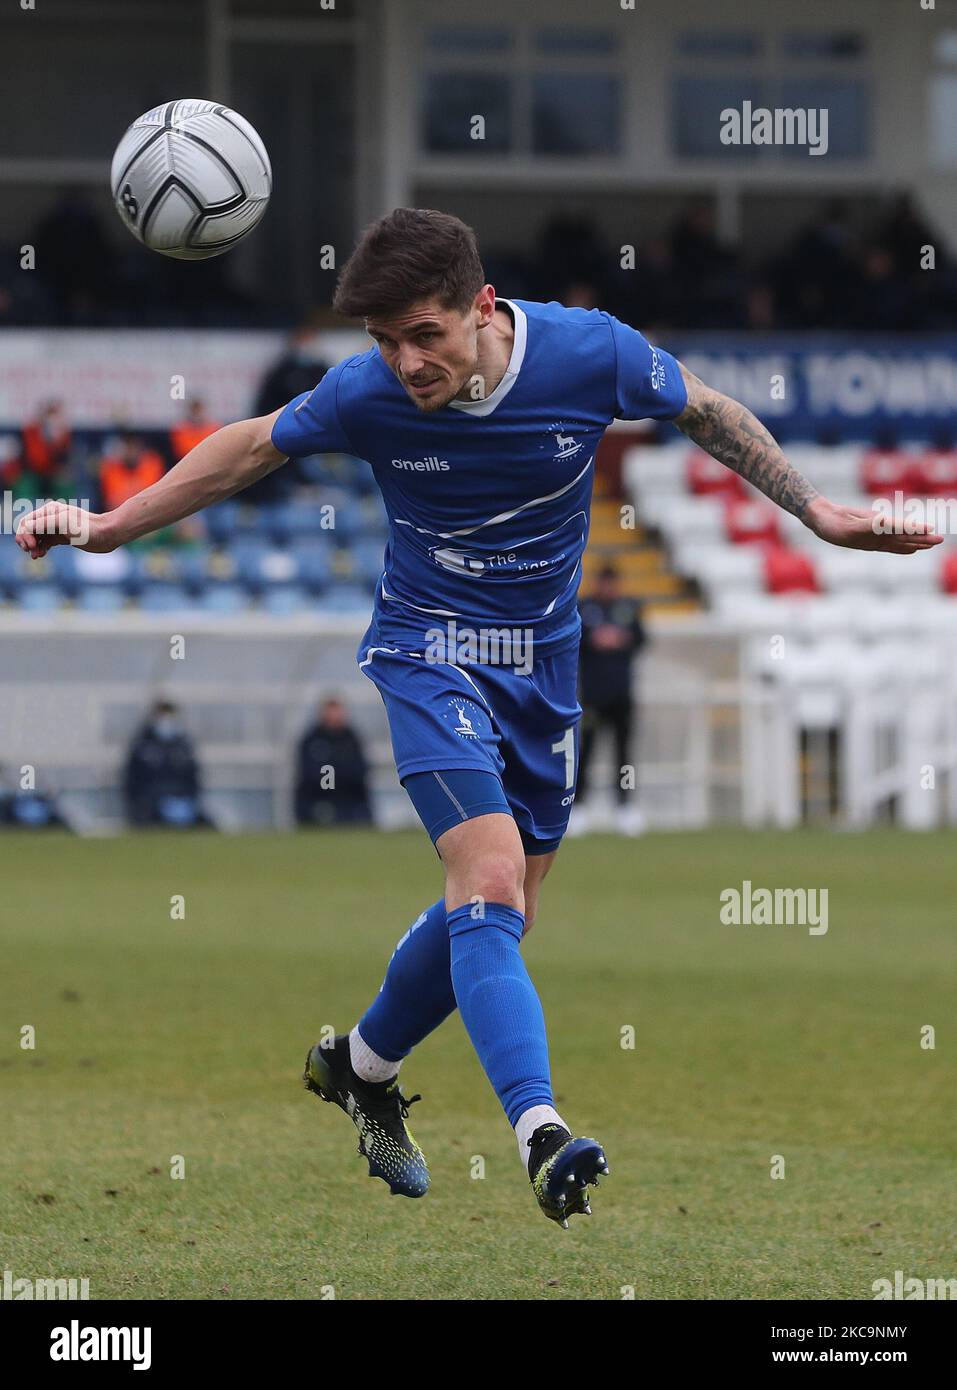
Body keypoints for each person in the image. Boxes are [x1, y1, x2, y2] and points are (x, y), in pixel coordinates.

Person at [16, 208, 942, 1227]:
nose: (405, 363)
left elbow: (708, 410)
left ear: (482, 308)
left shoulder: (588, 353)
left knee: (501, 914)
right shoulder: (368, 392)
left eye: (425, 335)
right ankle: (541, 1130)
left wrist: (820, 512)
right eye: (383, 341)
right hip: (427, 652)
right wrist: (108, 524)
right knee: (489, 877)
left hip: (541, 665)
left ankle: (360, 1065)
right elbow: (247, 449)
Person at [573, 565, 646, 836]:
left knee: (623, 754)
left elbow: (642, 639)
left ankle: (625, 807)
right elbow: (572, 640)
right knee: (587, 752)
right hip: (592, 697)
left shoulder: (628, 608)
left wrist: (621, 638)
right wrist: (595, 639)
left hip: (622, 696)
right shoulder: (584, 608)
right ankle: (578, 807)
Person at [123, 700, 206, 828]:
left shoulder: (183, 746)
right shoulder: (142, 745)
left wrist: (191, 800)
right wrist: (136, 805)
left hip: (181, 800)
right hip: (149, 804)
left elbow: (193, 776)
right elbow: (131, 778)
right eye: (162, 715)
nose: (166, 720)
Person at [295, 697, 372, 827]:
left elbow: (360, 771)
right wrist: (339, 773)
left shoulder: (352, 739)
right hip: (318, 803)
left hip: (351, 805)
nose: (336, 717)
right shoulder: (312, 740)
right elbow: (311, 775)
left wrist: (333, 772)